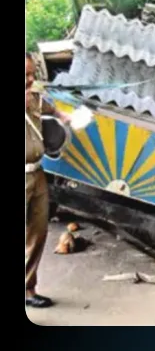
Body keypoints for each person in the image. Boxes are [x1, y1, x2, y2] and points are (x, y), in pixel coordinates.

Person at [26, 52, 70, 308]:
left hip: (37, 173)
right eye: (25, 76)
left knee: (37, 232)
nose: (31, 80)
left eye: (32, 74)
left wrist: (66, 117)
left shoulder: (33, 97)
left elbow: (50, 109)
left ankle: (28, 289)